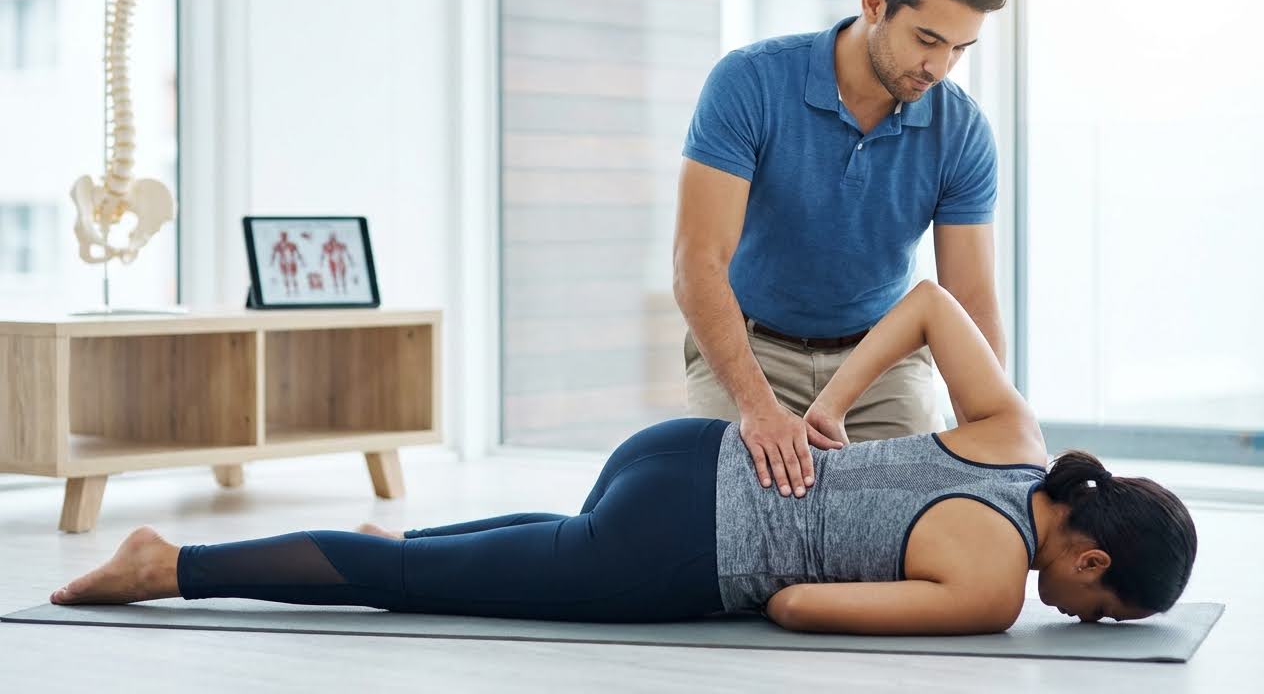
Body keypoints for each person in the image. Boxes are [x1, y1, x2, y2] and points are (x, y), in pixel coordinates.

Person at [50, 281, 1196, 634]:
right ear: (1090, 559)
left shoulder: (1017, 437)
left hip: (684, 449)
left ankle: (331, 544)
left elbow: (932, 302)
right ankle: (171, 566)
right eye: (1100, 611)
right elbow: (795, 600)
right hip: (677, 546)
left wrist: (828, 409)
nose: (1080, 622)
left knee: (431, 553)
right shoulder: (994, 587)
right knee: (412, 586)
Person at [674, 0, 1009, 500]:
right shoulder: (747, 83)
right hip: (748, 349)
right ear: (875, 2)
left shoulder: (962, 131)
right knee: (727, 522)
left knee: (914, 523)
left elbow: (970, 302)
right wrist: (758, 408)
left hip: (881, 366)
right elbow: (696, 263)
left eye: (960, 48)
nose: (940, 67)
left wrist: (996, 442)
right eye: (927, 39)